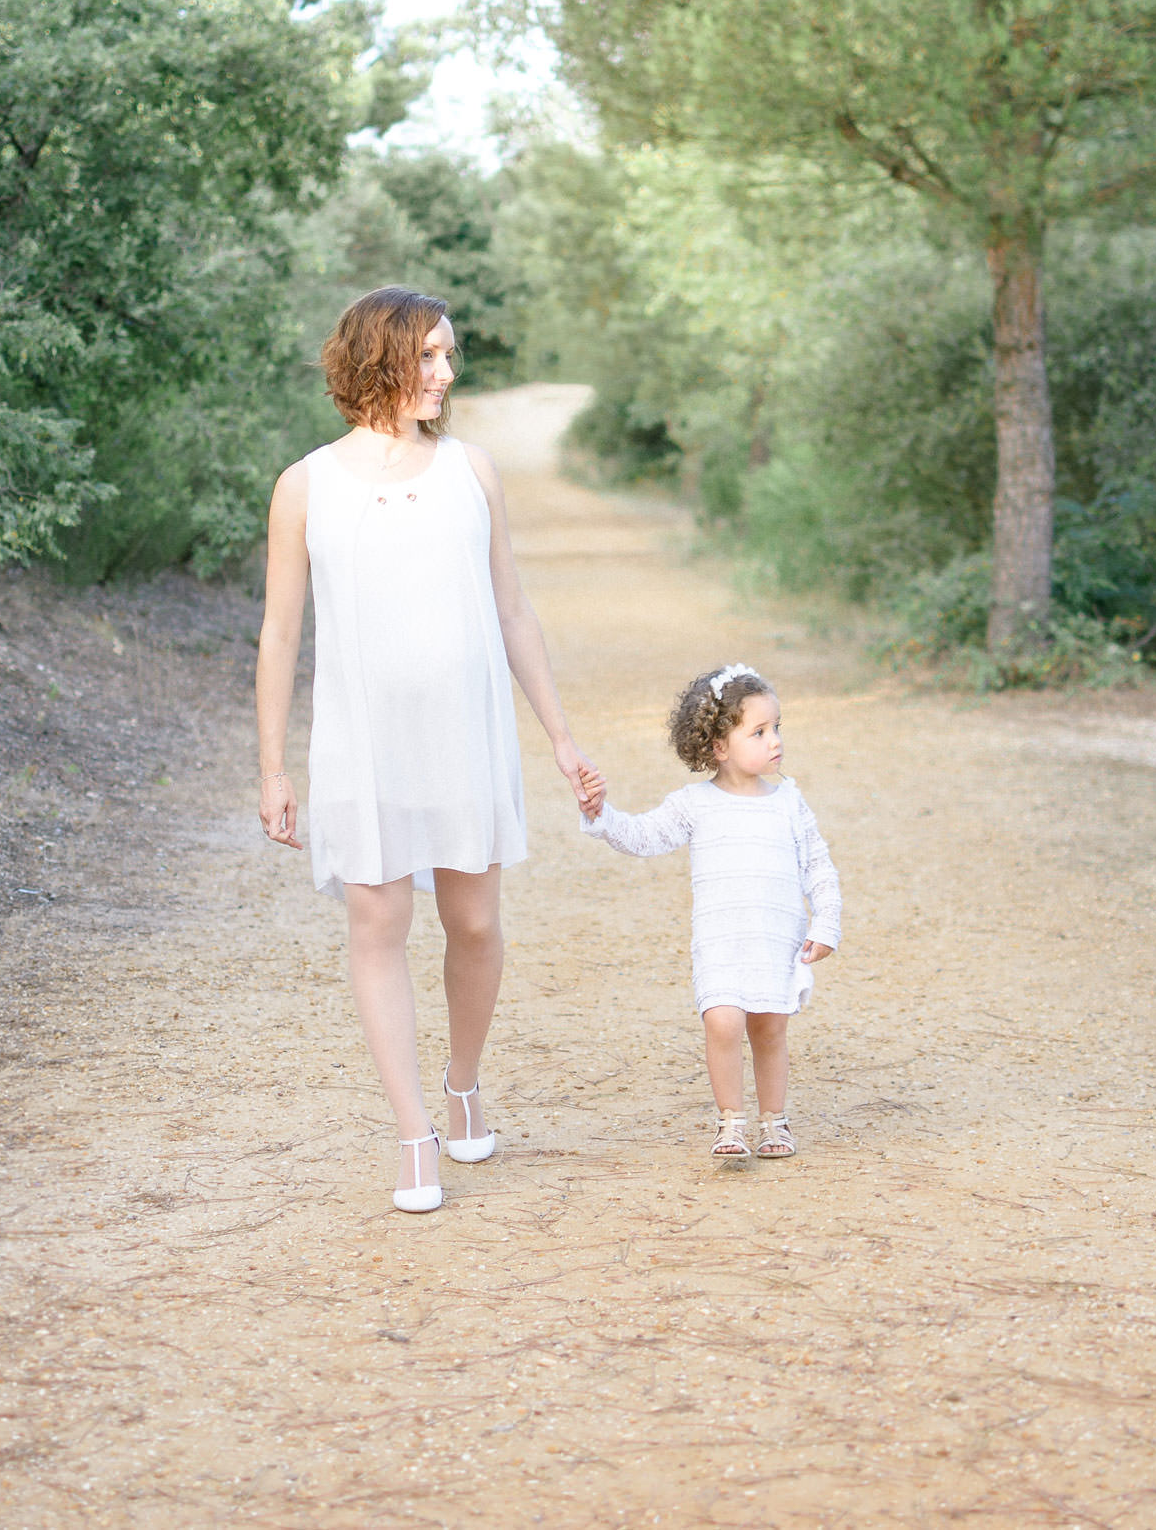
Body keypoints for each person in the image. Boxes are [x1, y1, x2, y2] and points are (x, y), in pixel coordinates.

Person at [256, 285, 598, 1214]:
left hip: (465, 733)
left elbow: (513, 610)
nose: (448, 374)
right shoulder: (305, 485)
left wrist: (561, 739)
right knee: (378, 928)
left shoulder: (472, 471)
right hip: (363, 744)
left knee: (476, 924)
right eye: (433, 356)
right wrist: (275, 767)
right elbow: (280, 634)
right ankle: (415, 1134)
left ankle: (463, 1081)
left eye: (450, 357)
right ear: (382, 358)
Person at [576, 664, 841, 1159]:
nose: (775, 740)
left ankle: (775, 1122)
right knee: (723, 1022)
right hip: (722, 940)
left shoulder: (789, 802)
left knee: (770, 1026)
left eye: (777, 727)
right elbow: (642, 836)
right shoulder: (694, 805)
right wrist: (601, 815)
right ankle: (731, 1122)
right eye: (759, 731)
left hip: (774, 938)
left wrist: (825, 921)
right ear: (719, 746)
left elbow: (819, 867)